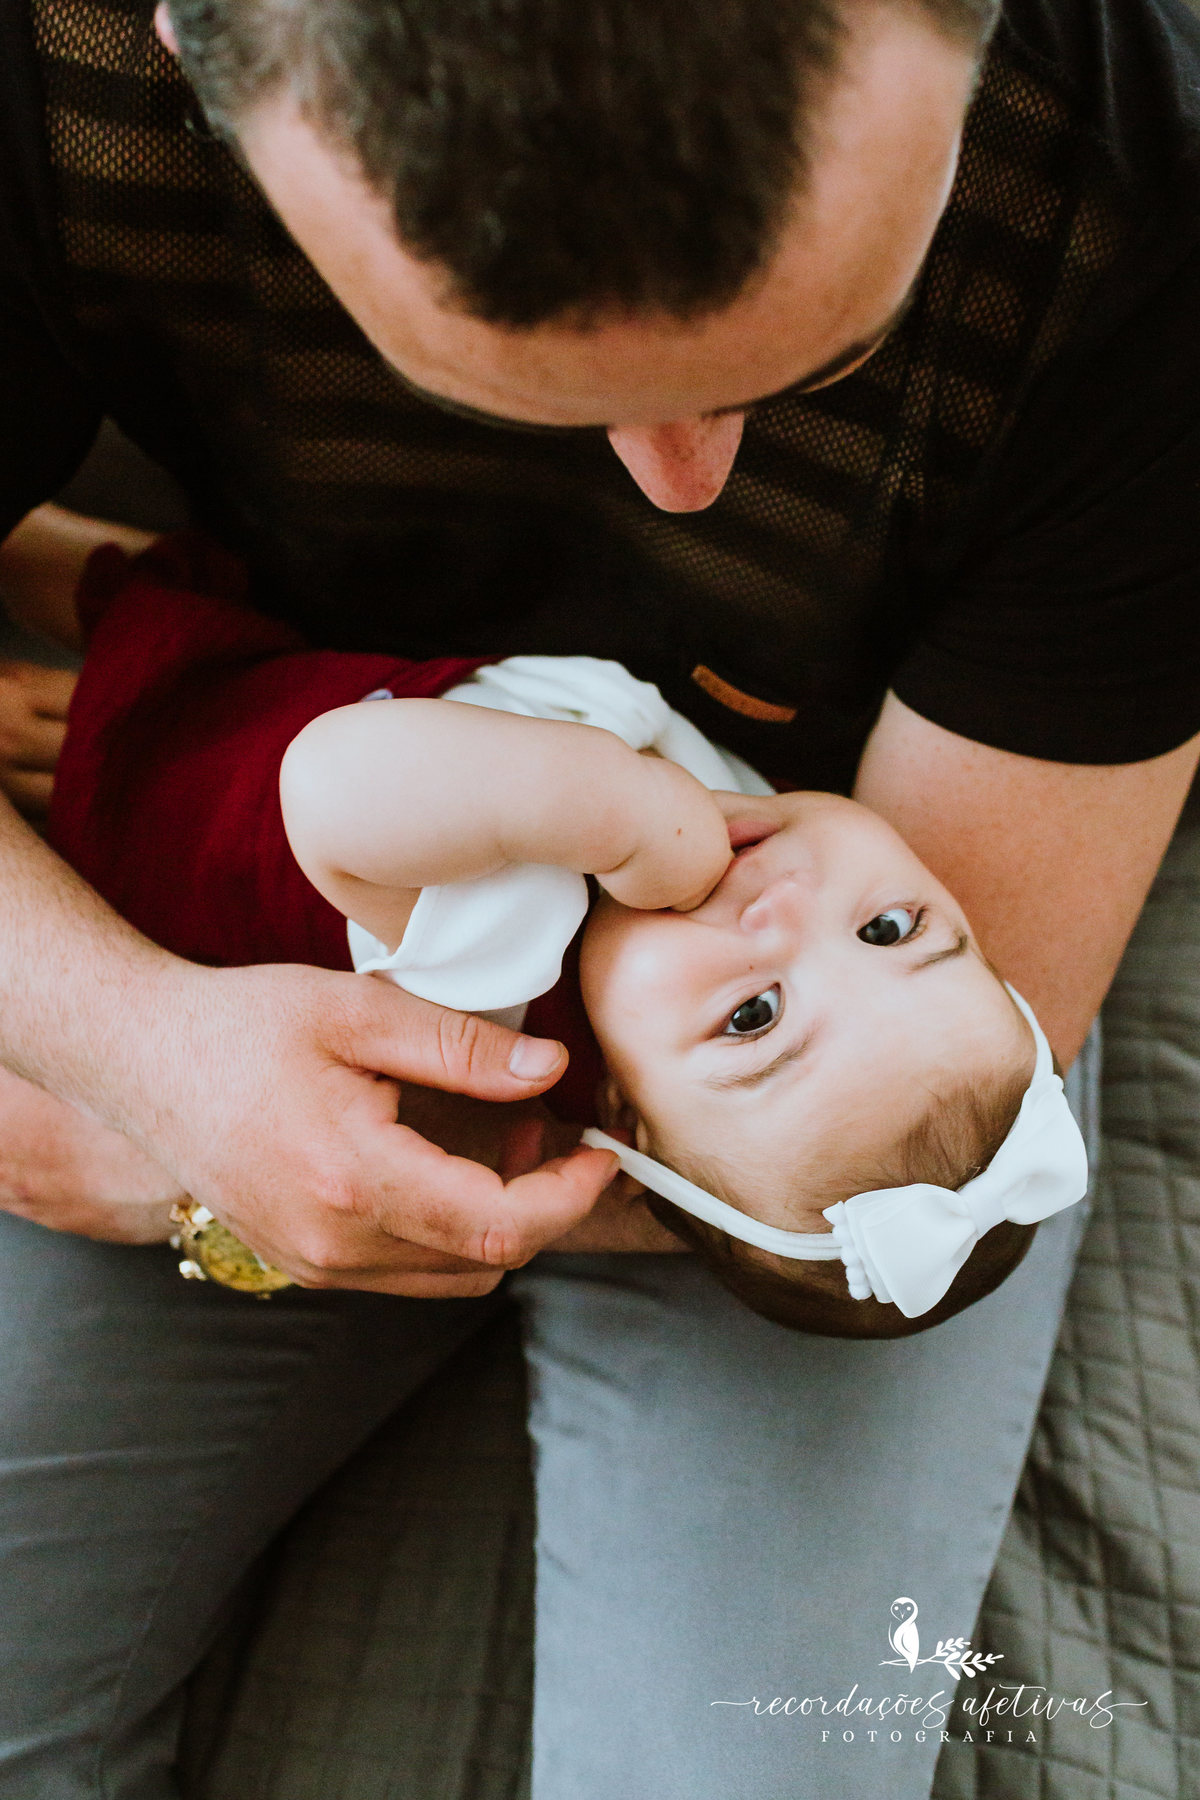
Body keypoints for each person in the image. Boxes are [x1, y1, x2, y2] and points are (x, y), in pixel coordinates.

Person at [0, 0, 1196, 1792]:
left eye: (828, 355)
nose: (687, 486)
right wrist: (140, 1049)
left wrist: (627, 1143)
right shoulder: (44, 80)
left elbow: (957, 1035)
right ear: (186, 45)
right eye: (504, 378)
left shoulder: (1147, 183)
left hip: (795, 1132)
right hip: (262, 936)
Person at [21, 519, 1085, 1330]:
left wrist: (601, 805)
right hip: (360, 645)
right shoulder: (752, 855)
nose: (792, 909)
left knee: (123, 674)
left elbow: (329, 780)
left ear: (622, 1116)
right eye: (892, 932)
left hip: (194, 787)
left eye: (756, 1014)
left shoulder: (504, 957)